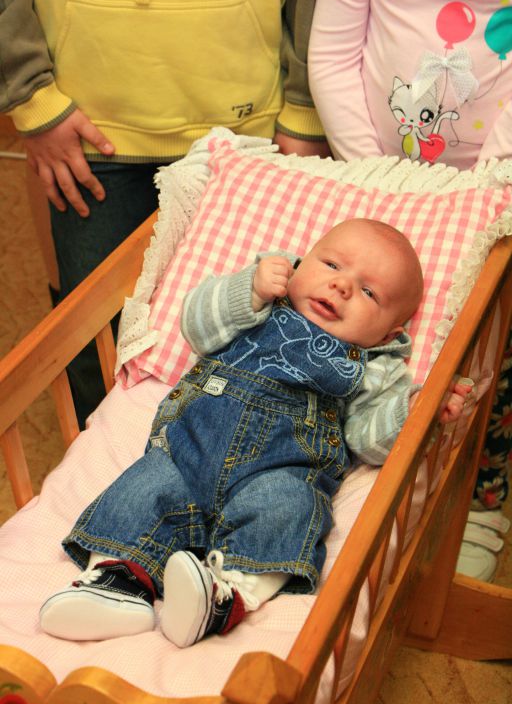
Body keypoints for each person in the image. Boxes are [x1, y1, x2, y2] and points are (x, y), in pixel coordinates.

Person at [39, 218, 471, 647]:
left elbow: (367, 440)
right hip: (187, 452)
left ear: (390, 334)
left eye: (369, 293)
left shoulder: (376, 366)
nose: (342, 286)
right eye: (332, 265)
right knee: (144, 487)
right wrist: (248, 289)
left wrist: (417, 411)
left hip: (279, 471)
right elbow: (196, 326)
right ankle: (114, 582)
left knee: (291, 505)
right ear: (301, 263)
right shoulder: (261, 297)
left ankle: (223, 594)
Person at [0, 0, 329, 427]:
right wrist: (31, 97)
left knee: (259, 327)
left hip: (250, 129)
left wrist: (305, 106)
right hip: (87, 132)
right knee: (92, 341)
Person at [307, 0, 511, 517]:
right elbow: (332, 56)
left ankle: (480, 501)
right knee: (368, 329)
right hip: (373, 177)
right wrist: (377, 179)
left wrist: (487, 186)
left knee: (493, 347)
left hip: (495, 186)